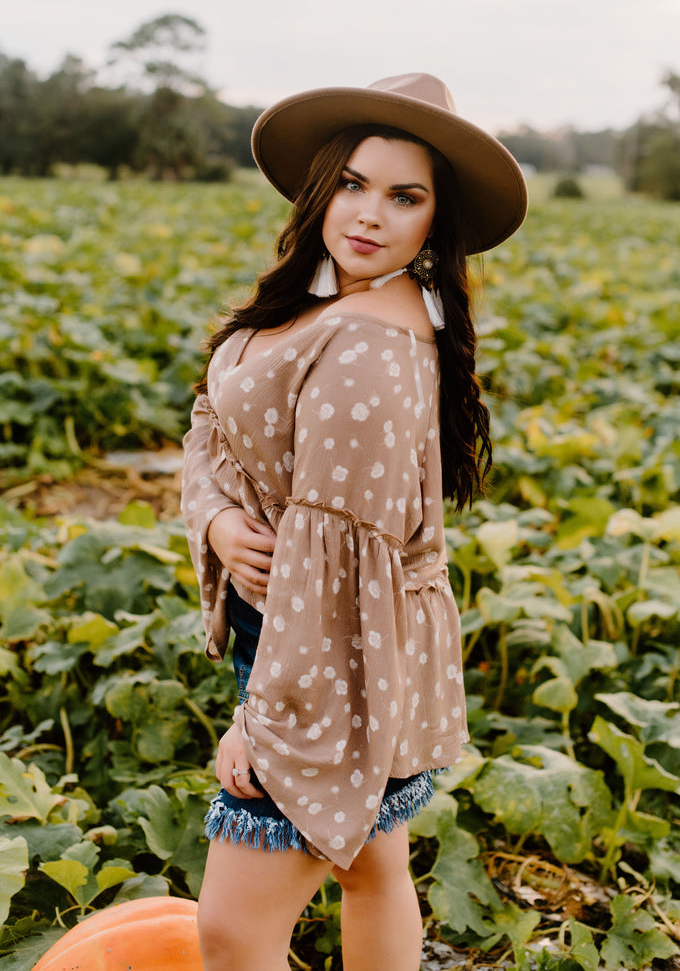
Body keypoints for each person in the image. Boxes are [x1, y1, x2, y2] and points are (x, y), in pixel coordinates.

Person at [181, 73, 527, 971]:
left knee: (231, 930)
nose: (369, 214)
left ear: (433, 224)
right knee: (373, 870)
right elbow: (210, 431)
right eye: (353, 183)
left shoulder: (372, 343)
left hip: (331, 655)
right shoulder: (326, 299)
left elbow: (337, 577)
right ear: (322, 186)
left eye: (404, 197)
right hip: (334, 640)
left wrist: (262, 720)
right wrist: (218, 520)